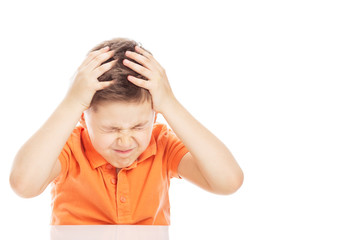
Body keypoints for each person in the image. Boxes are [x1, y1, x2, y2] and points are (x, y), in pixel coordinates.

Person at [9, 38, 244, 225]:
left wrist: (170, 103)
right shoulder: (69, 147)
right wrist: (71, 102)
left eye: (139, 126)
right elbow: (24, 185)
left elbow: (229, 182)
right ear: (82, 116)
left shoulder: (161, 143)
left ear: (155, 114)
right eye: (110, 128)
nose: (124, 139)